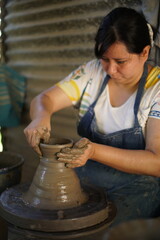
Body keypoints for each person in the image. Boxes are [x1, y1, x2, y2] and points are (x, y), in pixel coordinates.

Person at [24, 7, 160, 226]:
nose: (110, 69)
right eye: (104, 58)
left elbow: (157, 162)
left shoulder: (157, 89)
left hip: (138, 188)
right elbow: (44, 99)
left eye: (120, 61)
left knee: (95, 232)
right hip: (87, 179)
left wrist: (94, 151)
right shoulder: (92, 72)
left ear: (144, 52)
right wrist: (40, 117)